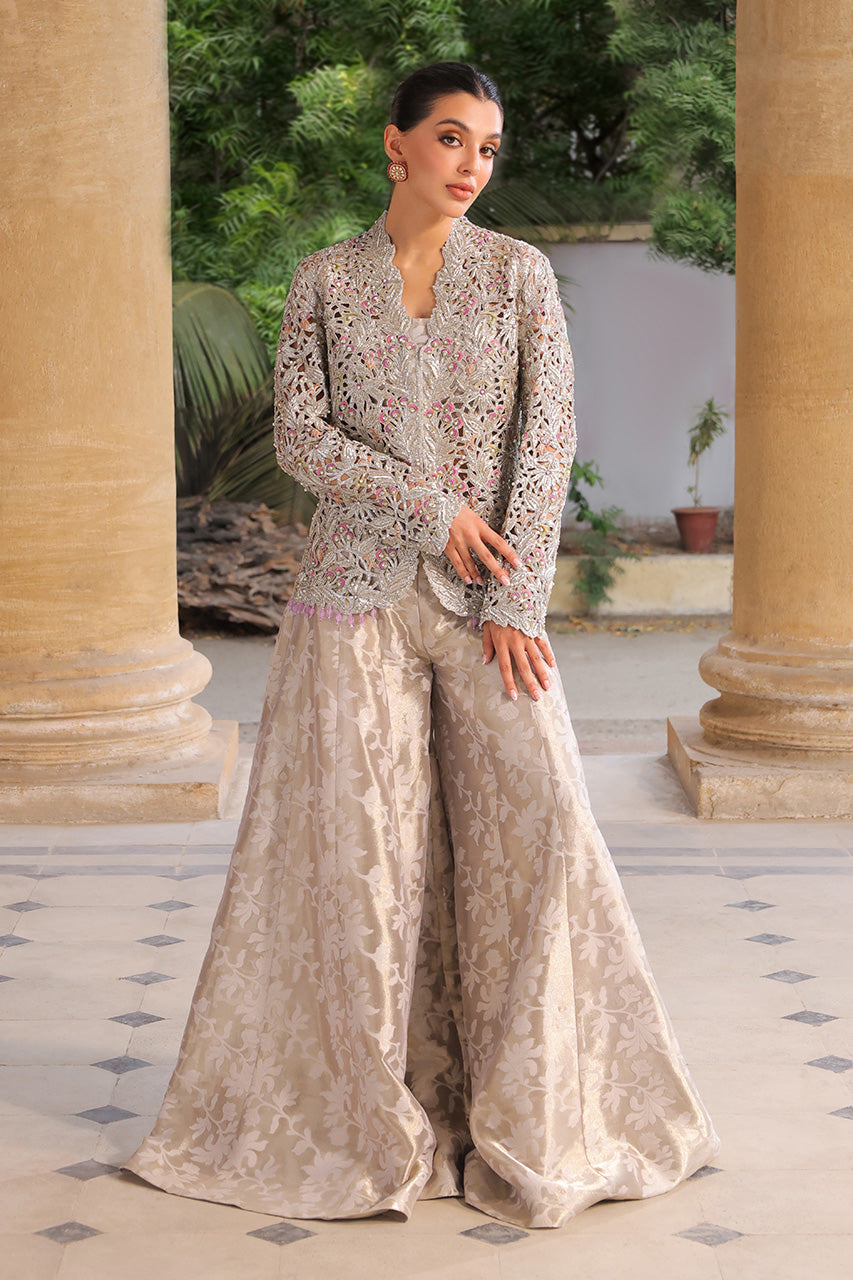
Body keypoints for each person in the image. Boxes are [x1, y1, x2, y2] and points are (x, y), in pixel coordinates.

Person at [123, 60, 721, 1230]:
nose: (471, 165)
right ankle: (372, 1116)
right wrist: (427, 506)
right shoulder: (324, 281)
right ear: (395, 145)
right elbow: (302, 435)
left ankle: (540, 1107)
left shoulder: (516, 275)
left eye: (487, 148)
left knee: (542, 831)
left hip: (488, 604)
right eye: (451, 138)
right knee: (362, 866)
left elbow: (546, 439)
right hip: (348, 603)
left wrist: (515, 601)